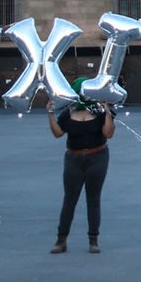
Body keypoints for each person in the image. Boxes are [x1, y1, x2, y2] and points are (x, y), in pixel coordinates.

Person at [47, 77, 114, 254]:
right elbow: (58, 133)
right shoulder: (68, 113)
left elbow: (108, 133)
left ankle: (93, 240)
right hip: (73, 159)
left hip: (97, 157)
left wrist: (107, 112)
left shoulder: (99, 111)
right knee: (69, 199)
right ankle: (61, 240)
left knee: (93, 199)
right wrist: (50, 115)